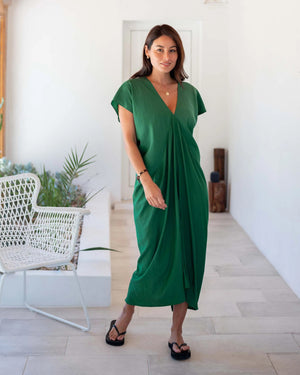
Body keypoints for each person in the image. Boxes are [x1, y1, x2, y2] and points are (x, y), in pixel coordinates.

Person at [107, 24, 208, 360]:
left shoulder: (190, 93)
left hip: (190, 186)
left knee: (187, 258)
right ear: (147, 51)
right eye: (160, 49)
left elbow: (184, 142)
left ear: (179, 54)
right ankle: (126, 316)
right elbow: (129, 141)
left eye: (173, 50)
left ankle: (177, 332)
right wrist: (146, 180)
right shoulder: (131, 90)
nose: (167, 56)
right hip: (151, 184)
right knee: (151, 257)